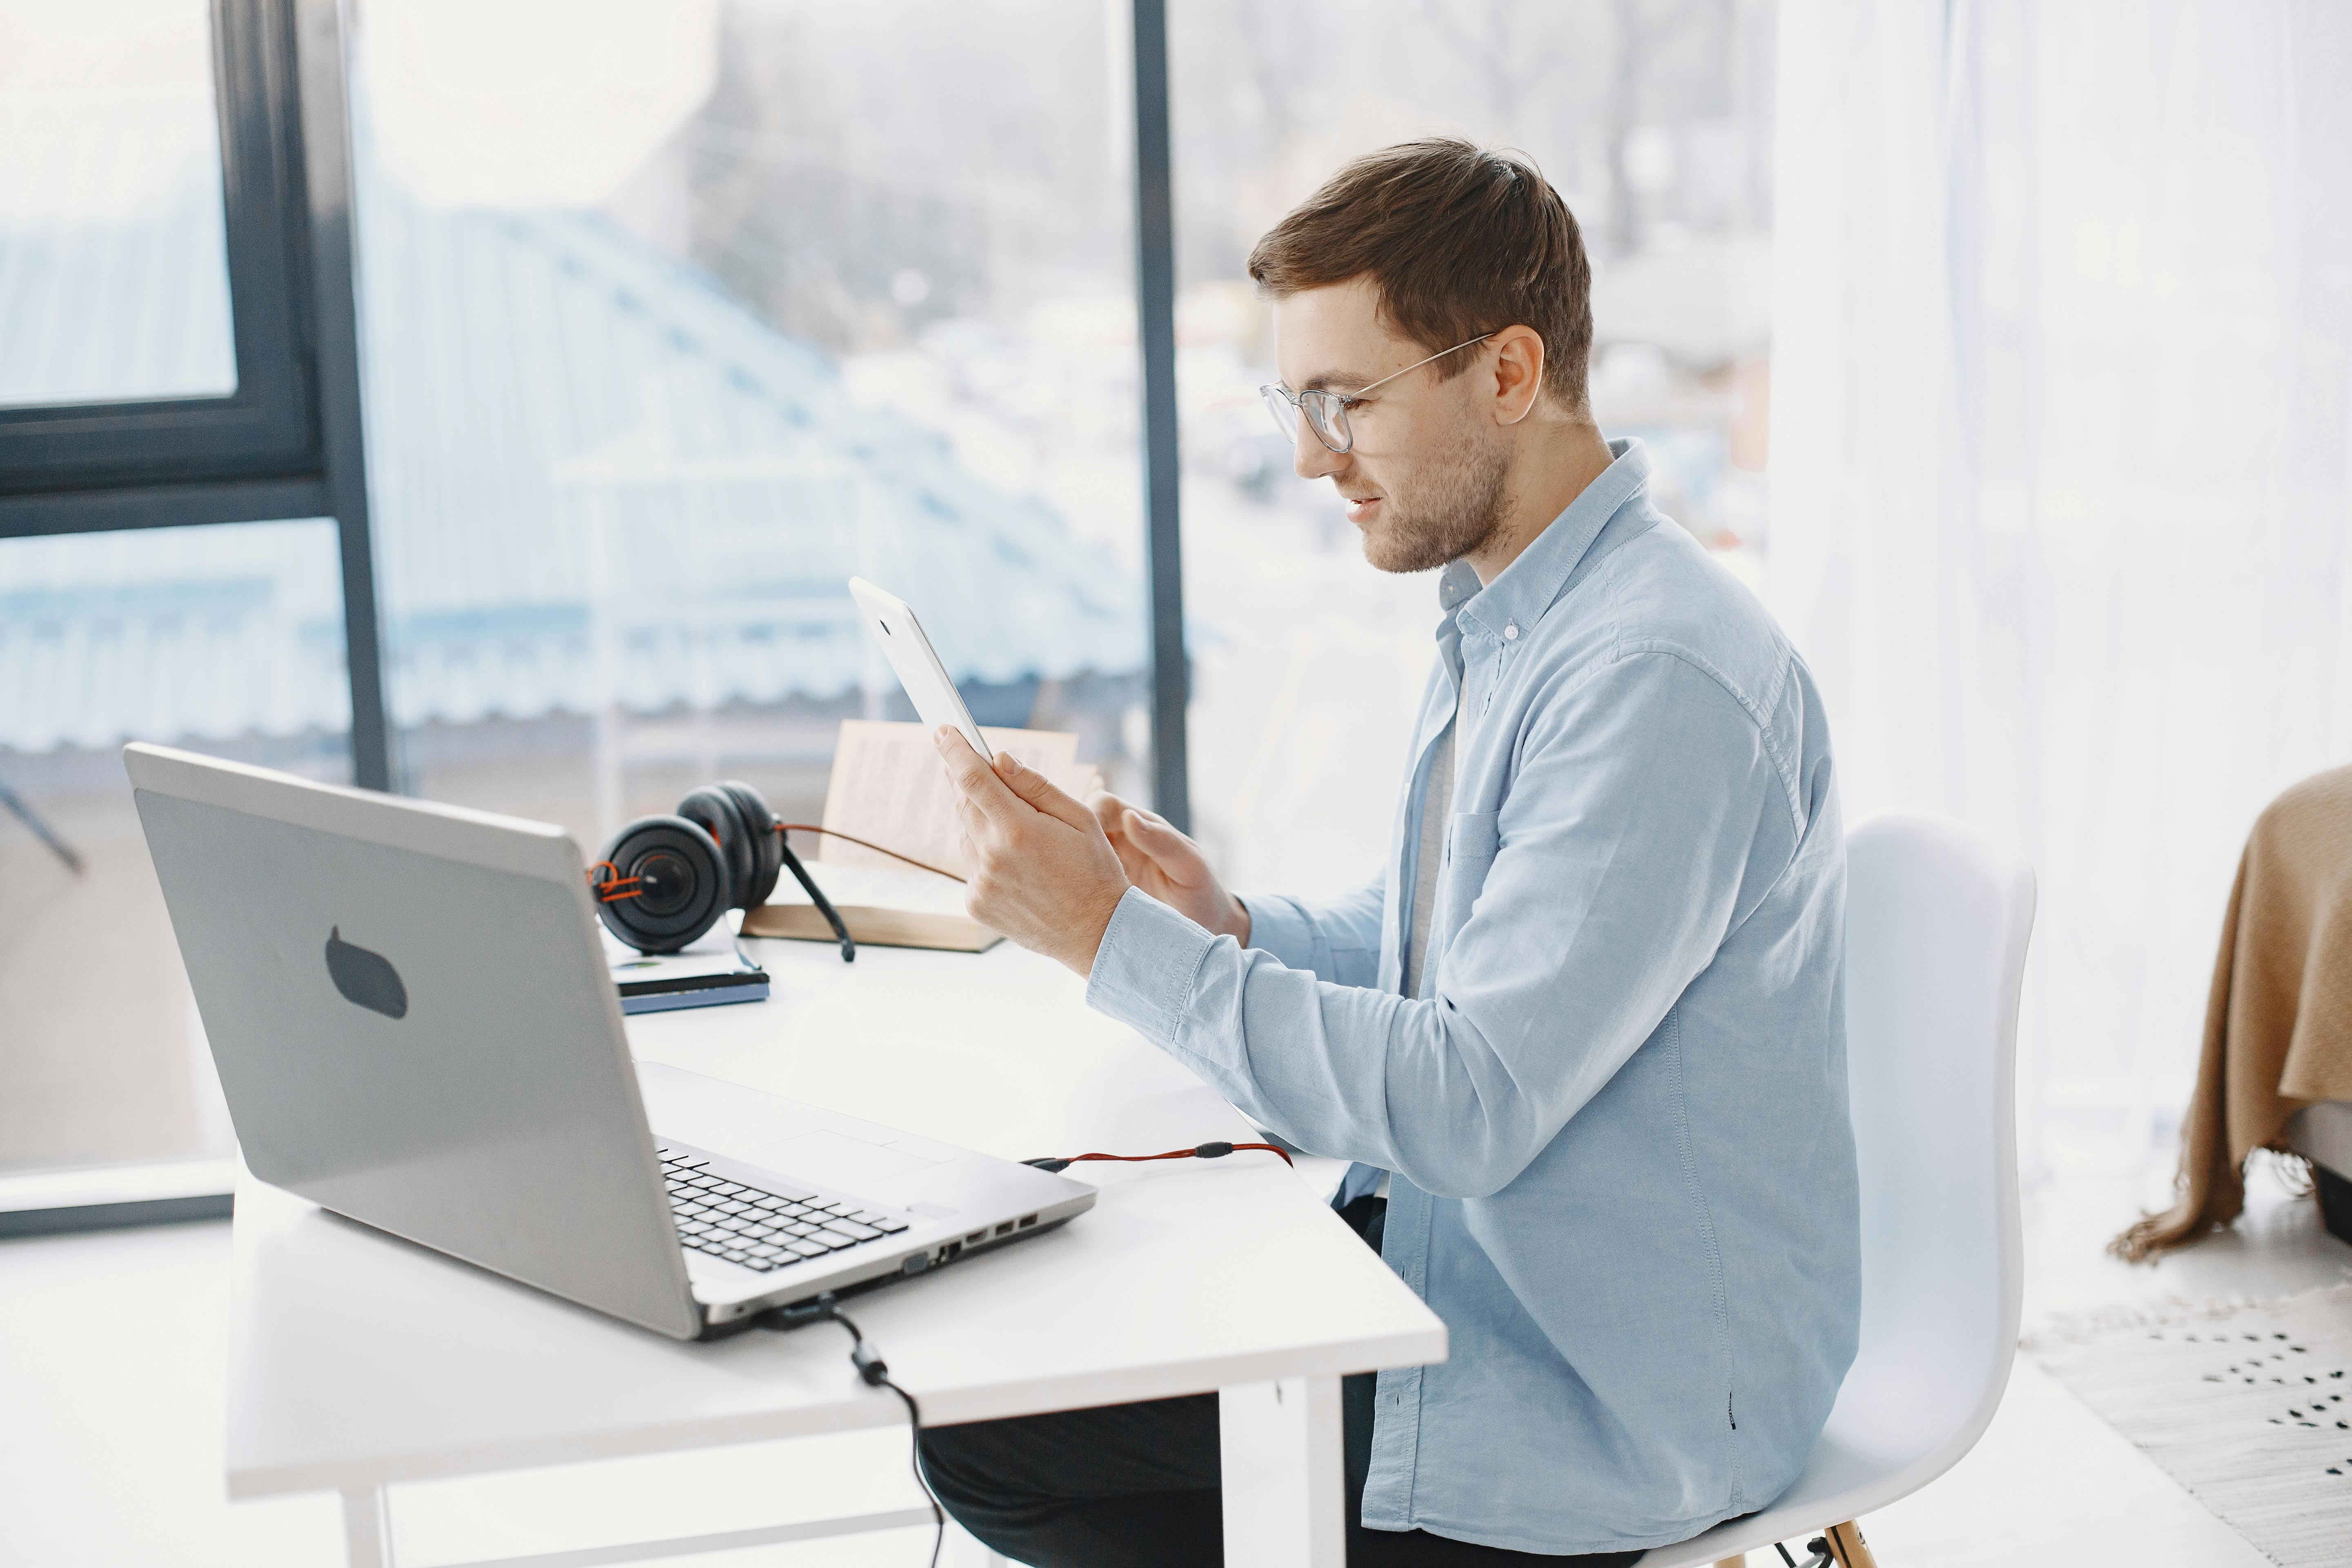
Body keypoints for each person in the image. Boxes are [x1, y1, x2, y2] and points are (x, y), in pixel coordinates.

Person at [920, 138, 1859, 1565]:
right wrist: (1227, 929)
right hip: (1480, 1278)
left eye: (1344, 401)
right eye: (1295, 402)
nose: (1308, 456)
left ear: (1506, 374)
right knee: (1007, 1372)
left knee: (999, 1439)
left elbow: (1469, 1102)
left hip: (1601, 1394)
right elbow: (1442, 943)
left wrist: (1112, 944)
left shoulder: (1655, 674)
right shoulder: (1518, 610)